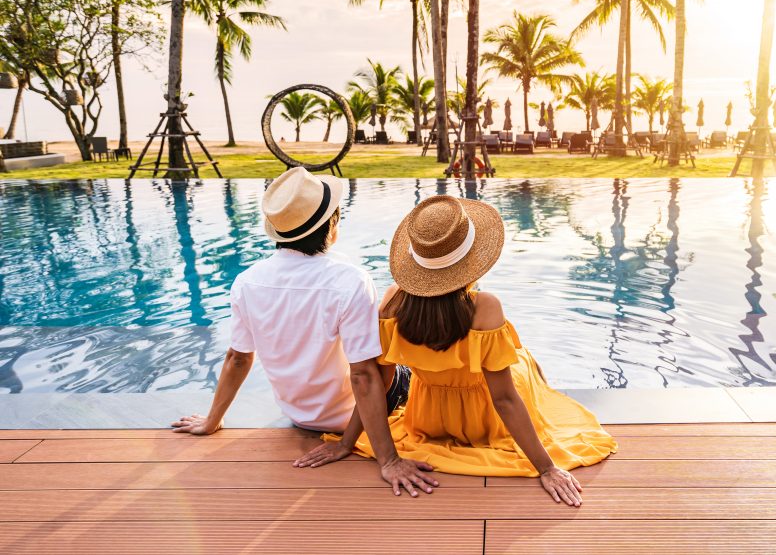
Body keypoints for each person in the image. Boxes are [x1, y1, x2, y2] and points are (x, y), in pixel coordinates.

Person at [294, 195, 617, 507]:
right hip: (487, 421)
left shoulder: (393, 302)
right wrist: (547, 468)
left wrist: (350, 444)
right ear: (473, 259)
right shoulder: (485, 307)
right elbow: (503, 399)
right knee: (522, 358)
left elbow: (375, 382)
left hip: (427, 419)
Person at [171, 167, 436, 498]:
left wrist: (212, 421)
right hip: (353, 416)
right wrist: (387, 459)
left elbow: (238, 358)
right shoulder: (349, 280)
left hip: (301, 416)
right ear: (333, 226)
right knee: (401, 343)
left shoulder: (246, 282)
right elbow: (366, 377)